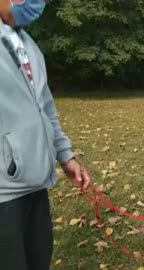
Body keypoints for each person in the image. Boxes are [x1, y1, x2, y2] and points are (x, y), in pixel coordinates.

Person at [0, 1, 90, 269]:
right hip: (4, 194)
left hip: (36, 184)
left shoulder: (28, 45)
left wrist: (65, 156)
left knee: (39, 260)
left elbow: (46, 109)